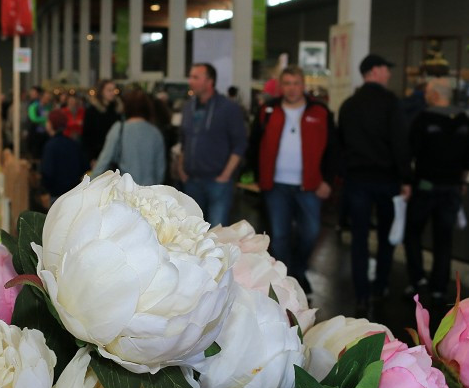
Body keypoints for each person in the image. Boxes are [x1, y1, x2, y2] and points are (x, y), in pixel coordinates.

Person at [337, 54, 411, 315]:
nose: (389, 74)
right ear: (375, 71)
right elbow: (400, 142)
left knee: (358, 238)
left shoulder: (349, 105)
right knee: (386, 238)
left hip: (357, 181)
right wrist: (405, 178)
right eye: (386, 69)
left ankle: (361, 293)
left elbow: (340, 145)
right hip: (387, 181)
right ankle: (380, 287)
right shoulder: (391, 103)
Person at [253, 66, 337, 294]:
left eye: (296, 83)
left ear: (304, 85)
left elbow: (333, 149)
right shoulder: (268, 110)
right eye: (287, 83)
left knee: (310, 232)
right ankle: (286, 281)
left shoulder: (320, 112)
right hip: (276, 185)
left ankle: (298, 271)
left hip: (310, 185)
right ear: (281, 86)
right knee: (279, 237)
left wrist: (327, 180)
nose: (292, 88)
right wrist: (258, 177)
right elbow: (255, 144)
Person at [403, 78, 469, 301]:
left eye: (426, 92)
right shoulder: (465, 121)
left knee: (413, 233)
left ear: (434, 94)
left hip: (425, 187)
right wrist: (460, 181)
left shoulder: (423, 119)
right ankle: (439, 286)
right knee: (444, 238)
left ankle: (418, 280)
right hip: (452, 188)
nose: (425, 96)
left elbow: (410, 152)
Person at [175, 63, 247, 226]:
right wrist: (181, 169)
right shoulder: (188, 107)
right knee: (191, 231)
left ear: (210, 81)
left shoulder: (229, 108)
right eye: (190, 76)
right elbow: (183, 141)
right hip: (191, 180)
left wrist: (226, 175)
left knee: (217, 233)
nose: (190, 81)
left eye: (195, 77)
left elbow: (240, 144)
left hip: (217, 182)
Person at [92, 89, 166, 186]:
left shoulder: (119, 129)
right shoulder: (155, 133)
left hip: (125, 190)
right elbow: (160, 171)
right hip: (149, 192)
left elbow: (104, 161)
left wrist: (90, 183)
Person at [40, 109, 88, 202]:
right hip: (74, 194)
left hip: (56, 196)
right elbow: (84, 166)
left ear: (51, 124)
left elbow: (47, 172)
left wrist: (45, 189)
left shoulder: (50, 146)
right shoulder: (73, 143)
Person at [82, 80, 122, 165]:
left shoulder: (117, 110)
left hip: (115, 156)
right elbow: (87, 135)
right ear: (101, 92)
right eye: (109, 90)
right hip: (98, 155)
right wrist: (91, 157)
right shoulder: (92, 111)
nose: (112, 93)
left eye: (113, 90)